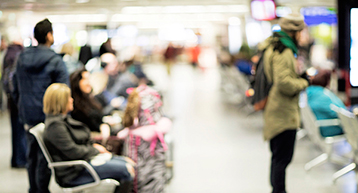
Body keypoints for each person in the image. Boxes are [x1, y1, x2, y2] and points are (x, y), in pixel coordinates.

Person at [42, 83, 134, 193]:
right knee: (127, 170)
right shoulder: (55, 126)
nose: (72, 100)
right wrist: (96, 149)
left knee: (129, 163)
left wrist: (94, 148)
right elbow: (73, 151)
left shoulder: (60, 121)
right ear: (61, 101)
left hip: (82, 163)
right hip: (75, 172)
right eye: (68, 98)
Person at [12, 18, 69, 193]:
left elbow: (14, 86)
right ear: (49, 35)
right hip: (48, 116)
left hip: (27, 113)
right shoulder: (55, 60)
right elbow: (63, 92)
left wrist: (22, 106)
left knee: (32, 155)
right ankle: (42, 189)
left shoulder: (21, 57)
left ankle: (34, 189)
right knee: (44, 156)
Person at [260, 13, 309, 193]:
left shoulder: (275, 46)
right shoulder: (284, 50)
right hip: (283, 113)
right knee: (281, 159)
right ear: (294, 32)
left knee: (278, 159)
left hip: (277, 111)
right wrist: (304, 82)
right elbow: (283, 83)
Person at [117, 85, 172, 193]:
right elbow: (157, 118)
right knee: (154, 178)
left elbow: (129, 121)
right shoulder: (150, 97)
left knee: (138, 177)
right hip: (151, 147)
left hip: (136, 145)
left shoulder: (138, 98)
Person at [1, 27, 27, 168]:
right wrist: (17, 96)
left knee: (16, 130)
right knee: (19, 130)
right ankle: (20, 159)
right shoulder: (16, 54)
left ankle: (17, 159)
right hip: (16, 100)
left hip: (12, 99)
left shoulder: (9, 53)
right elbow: (11, 79)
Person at [70, 68, 113, 142]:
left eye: (89, 78)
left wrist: (105, 124)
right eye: (85, 79)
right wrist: (102, 126)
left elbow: (99, 119)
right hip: (90, 140)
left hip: (102, 136)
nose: (88, 82)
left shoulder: (91, 99)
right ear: (76, 82)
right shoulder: (73, 105)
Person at [306, 69, 345, 137]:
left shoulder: (308, 93)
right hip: (329, 128)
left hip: (318, 126)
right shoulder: (325, 96)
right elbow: (343, 113)